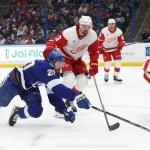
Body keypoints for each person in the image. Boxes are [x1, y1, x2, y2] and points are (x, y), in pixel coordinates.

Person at [0, 49, 91, 126]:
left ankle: (17, 112)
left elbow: (53, 95)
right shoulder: (44, 67)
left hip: (30, 88)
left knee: (36, 111)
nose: (61, 65)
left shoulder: (54, 72)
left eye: (62, 62)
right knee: (2, 102)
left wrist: (63, 109)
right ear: (51, 61)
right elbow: (59, 89)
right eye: (59, 62)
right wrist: (77, 96)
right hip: (13, 83)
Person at [43, 15, 99, 93]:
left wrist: (94, 63)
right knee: (69, 78)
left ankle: (71, 97)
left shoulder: (92, 35)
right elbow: (54, 41)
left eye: (88, 26)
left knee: (83, 81)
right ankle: (62, 99)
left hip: (77, 60)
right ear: (79, 25)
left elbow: (94, 52)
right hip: (64, 57)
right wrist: (49, 49)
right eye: (84, 26)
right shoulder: (69, 33)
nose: (86, 28)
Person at [98, 18, 125, 83]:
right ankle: (106, 74)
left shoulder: (119, 31)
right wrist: (99, 49)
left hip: (115, 49)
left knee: (118, 62)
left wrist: (121, 44)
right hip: (106, 49)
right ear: (108, 24)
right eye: (110, 24)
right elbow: (99, 41)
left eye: (113, 24)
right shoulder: (104, 31)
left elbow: (122, 41)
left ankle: (116, 76)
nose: (111, 25)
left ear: (115, 24)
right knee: (107, 63)